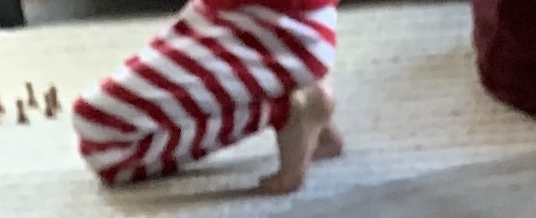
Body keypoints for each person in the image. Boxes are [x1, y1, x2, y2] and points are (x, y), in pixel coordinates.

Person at [71, 0, 345, 194]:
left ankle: (287, 110)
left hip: (271, 28)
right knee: (100, 128)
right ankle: (290, 92)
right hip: (239, 14)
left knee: (101, 136)